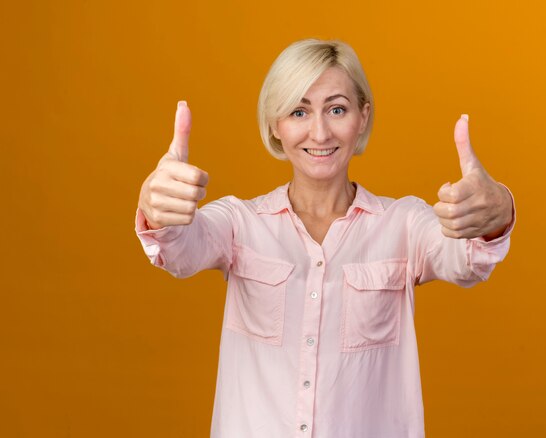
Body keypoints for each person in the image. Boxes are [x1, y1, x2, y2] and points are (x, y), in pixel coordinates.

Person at [135, 38, 515, 438]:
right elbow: (179, 249)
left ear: (362, 117)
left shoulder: (404, 224)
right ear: (274, 125)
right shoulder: (239, 223)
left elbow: (467, 258)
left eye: (337, 109)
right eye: (299, 111)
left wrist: (497, 210)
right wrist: (157, 207)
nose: (319, 132)